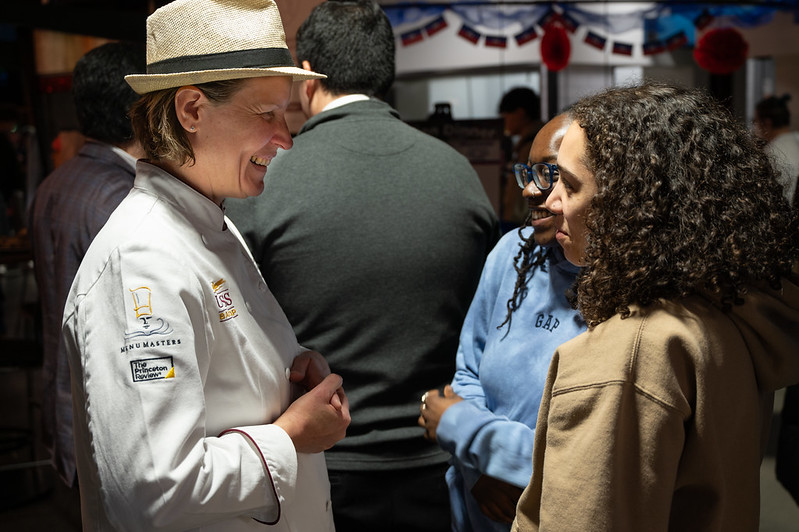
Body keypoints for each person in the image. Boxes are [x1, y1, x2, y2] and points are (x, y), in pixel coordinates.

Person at [61, 1, 349, 530]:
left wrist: (285, 376)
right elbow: (153, 490)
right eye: (266, 113)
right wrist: (291, 437)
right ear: (192, 110)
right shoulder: (142, 258)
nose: (286, 138)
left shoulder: (211, 220)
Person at [224, 2, 498, 530]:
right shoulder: (459, 175)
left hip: (319, 463)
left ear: (307, 77)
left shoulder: (266, 181)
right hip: (438, 456)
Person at [511, 82, 799, 531]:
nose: (550, 200)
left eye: (569, 183)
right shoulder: (726, 309)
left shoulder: (628, 354)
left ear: (636, 202)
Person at [417, 112, 586, 532]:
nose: (529, 189)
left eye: (550, 174)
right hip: (478, 506)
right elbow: (468, 373)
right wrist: (480, 471)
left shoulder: (627, 287)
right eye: (527, 172)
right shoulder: (514, 252)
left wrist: (482, 446)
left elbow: (588, 449)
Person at [29, 42, 145, 496]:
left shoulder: (54, 184)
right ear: (142, 109)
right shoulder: (124, 200)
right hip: (108, 419)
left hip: (64, 401)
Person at [498, 87, 544, 231]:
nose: (504, 121)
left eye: (506, 115)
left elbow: (517, 195)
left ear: (519, 113)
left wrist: (511, 219)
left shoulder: (532, 145)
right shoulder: (535, 139)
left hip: (522, 223)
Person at [754, 94, 799, 204]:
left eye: (756, 121)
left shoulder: (772, 152)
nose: (755, 127)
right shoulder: (796, 140)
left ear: (767, 122)